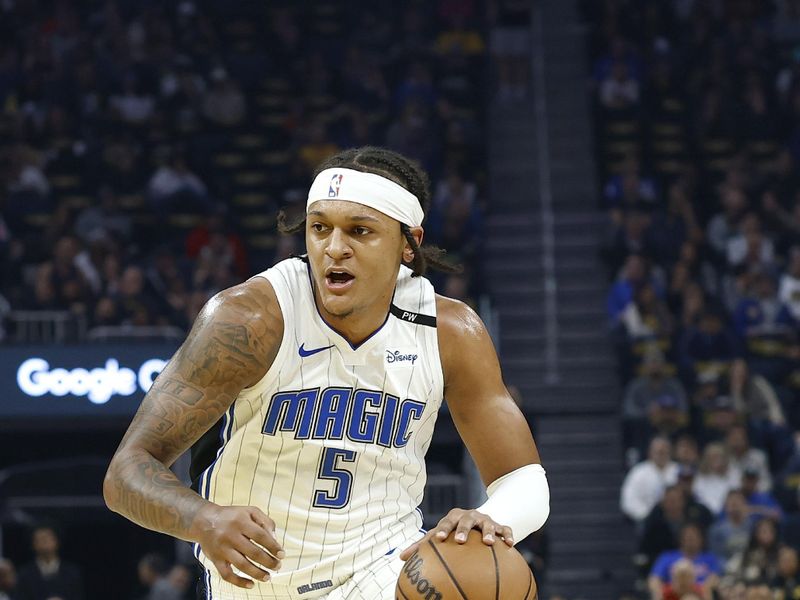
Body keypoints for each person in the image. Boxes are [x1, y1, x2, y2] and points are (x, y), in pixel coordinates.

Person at [103, 146, 550, 599]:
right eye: (320, 228)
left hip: (383, 570)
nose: (335, 248)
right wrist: (204, 520)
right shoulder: (249, 320)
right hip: (261, 583)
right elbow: (126, 473)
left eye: (359, 230)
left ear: (408, 244)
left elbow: (524, 479)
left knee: (485, 584)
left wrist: (494, 520)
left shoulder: (450, 331)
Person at [15, 524, 84, 600]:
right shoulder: (24, 574)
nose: (44, 542)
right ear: (33, 544)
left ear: (56, 541)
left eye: (47, 538)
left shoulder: (72, 572)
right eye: (39, 539)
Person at [621, 436, 679, 523]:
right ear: (650, 452)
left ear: (670, 452)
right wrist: (647, 516)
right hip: (647, 521)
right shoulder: (638, 472)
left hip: (676, 521)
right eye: (658, 452)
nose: (661, 454)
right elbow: (629, 500)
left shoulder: (678, 470)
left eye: (663, 451)